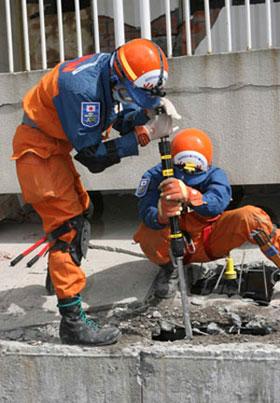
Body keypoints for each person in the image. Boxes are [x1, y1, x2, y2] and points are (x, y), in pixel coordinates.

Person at [11, 38, 177, 346]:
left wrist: (147, 113)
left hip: (56, 144)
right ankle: (72, 322)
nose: (136, 99)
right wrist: (147, 135)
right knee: (68, 229)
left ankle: (59, 275)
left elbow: (120, 117)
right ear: (121, 77)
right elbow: (93, 158)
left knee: (81, 211)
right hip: (38, 148)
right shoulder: (83, 90)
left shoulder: (113, 73)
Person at [133, 127, 280, 299]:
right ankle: (170, 269)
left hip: (211, 239)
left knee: (253, 218)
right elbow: (145, 211)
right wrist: (161, 215)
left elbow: (217, 204)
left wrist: (191, 195)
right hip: (176, 243)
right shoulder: (155, 176)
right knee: (146, 233)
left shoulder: (216, 174)